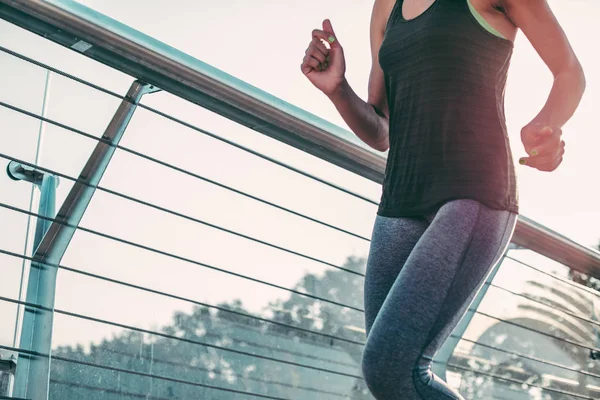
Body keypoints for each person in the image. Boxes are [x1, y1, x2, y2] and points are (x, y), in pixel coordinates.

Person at [301, 0, 586, 398]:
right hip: (401, 199)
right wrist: (337, 89)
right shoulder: (387, 7)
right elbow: (382, 130)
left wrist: (546, 124)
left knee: (390, 366)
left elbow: (569, 72)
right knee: (390, 377)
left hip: (474, 190)